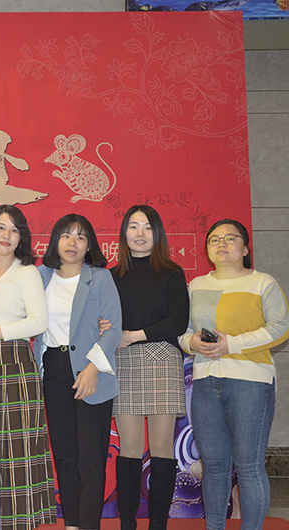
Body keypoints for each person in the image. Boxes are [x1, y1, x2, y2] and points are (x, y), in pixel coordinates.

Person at [179, 219, 289, 530]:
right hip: (205, 382)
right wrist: (191, 343)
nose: (222, 244)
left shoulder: (262, 282)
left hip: (251, 382)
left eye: (231, 238)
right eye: (215, 239)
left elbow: (281, 326)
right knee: (214, 467)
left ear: (245, 248)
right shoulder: (195, 285)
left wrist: (233, 344)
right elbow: (182, 331)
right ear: (207, 249)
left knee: (249, 466)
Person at [0, 204, 57, 529]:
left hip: (15, 365)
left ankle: (19, 522)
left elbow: (39, 321)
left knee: (15, 451)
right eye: (1, 227)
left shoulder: (27, 272)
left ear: (21, 238)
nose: (6, 235)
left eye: (14, 230)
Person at [33, 213, 122, 530]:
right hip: (54, 370)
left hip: (91, 369)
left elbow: (113, 330)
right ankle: (72, 523)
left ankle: (88, 525)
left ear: (89, 245)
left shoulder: (100, 278)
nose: (73, 242)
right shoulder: (40, 276)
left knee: (91, 459)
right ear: (55, 240)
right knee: (65, 456)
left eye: (81, 237)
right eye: (66, 235)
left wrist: (92, 368)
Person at [110, 206, 189, 530]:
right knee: (129, 448)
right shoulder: (111, 276)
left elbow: (178, 322)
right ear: (124, 233)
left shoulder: (172, 272)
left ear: (157, 233)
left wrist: (134, 335)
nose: (140, 233)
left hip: (162, 360)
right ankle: (127, 523)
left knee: (161, 449)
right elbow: (104, 319)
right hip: (124, 362)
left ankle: (158, 524)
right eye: (133, 226)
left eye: (146, 227)